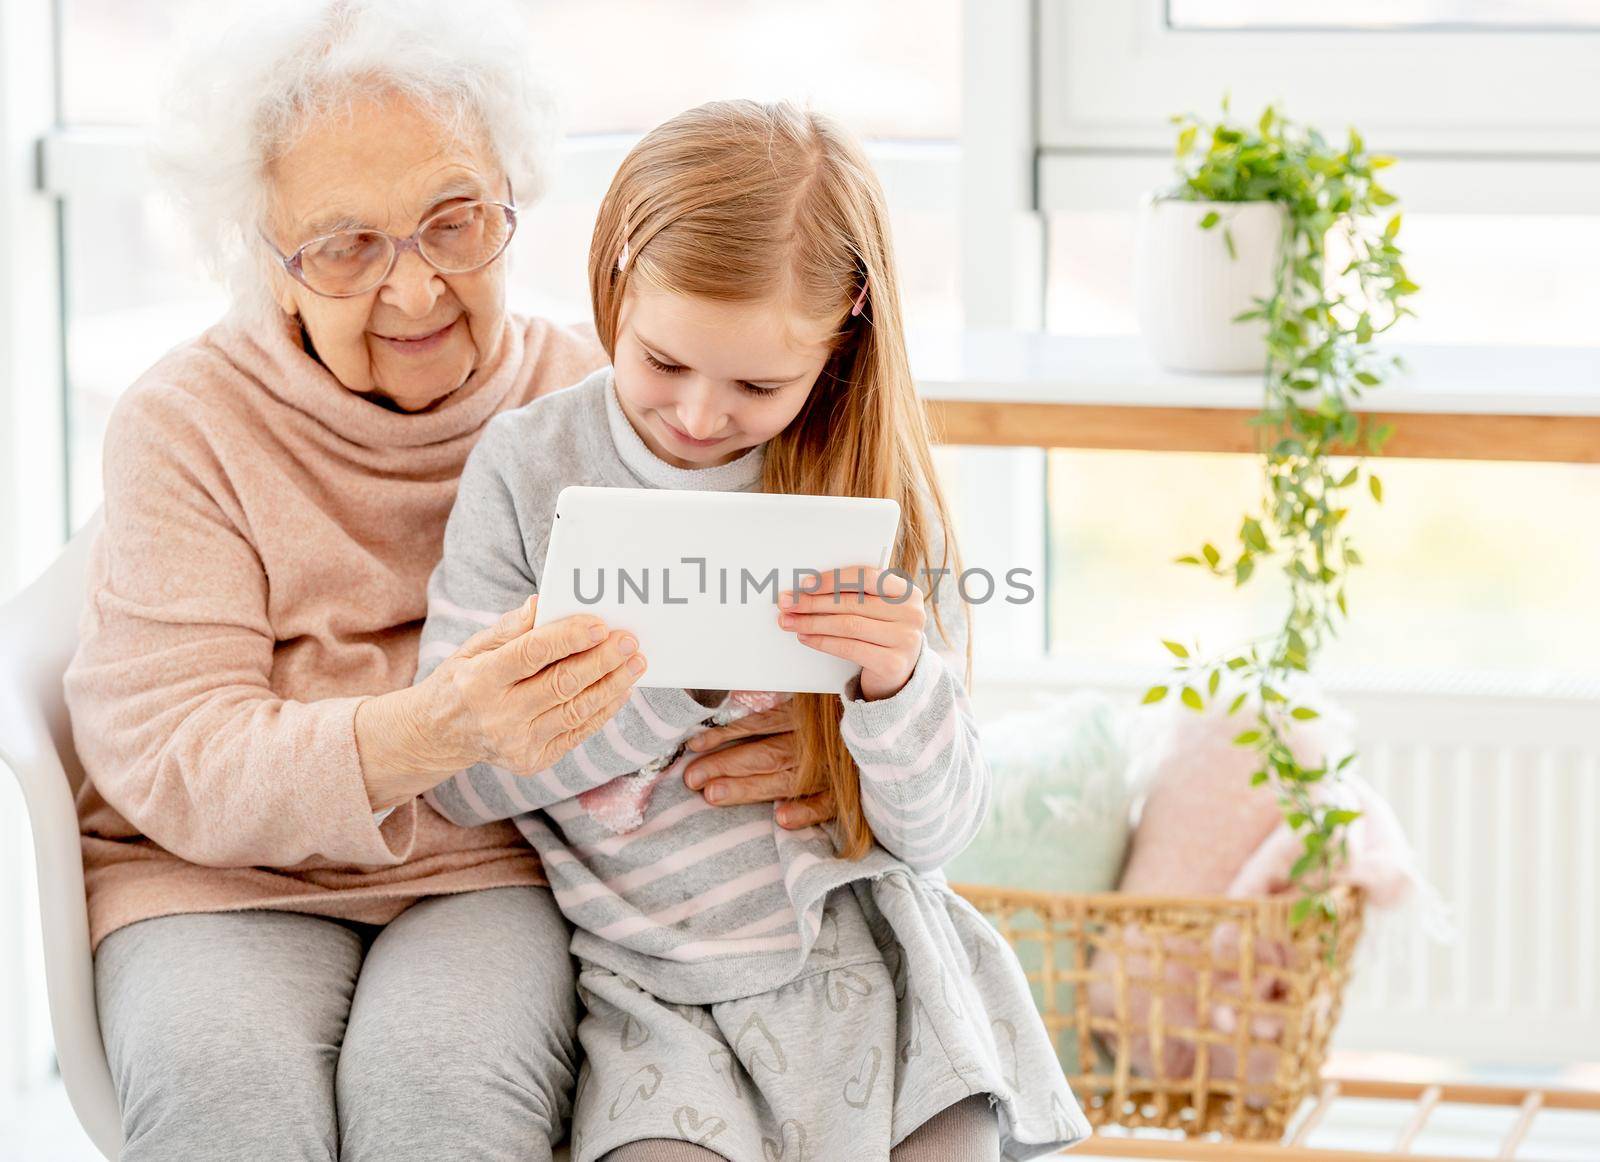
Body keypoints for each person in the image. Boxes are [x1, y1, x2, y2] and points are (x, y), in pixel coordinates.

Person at [61, 6, 823, 1159]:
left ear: (514, 202)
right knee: (225, 1101)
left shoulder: (606, 399)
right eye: (345, 246)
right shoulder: (187, 423)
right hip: (209, 874)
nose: (414, 292)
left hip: (493, 869)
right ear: (265, 259)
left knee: (443, 1100)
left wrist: (813, 732)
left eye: (453, 222)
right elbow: (173, 751)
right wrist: (432, 730)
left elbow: (779, 591)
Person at [418, 99, 1091, 1162]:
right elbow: (456, 777)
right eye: (662, 362)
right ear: (613, 281)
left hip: (873, 960)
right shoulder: (528, 468)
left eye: (758, 384)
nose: (695, 416)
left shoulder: (876, 493)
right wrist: (670, 676)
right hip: (655, 988)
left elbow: (942, 830)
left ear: (844, 332)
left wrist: (895, 687)